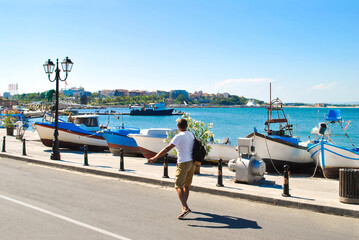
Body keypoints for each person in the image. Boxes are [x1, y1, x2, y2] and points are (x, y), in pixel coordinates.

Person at [149, 118, 197, 219]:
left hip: (183, 163)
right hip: (192, 163)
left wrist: (155, 157)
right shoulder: (191, 134)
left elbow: (167, 149)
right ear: (186, 126)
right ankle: (184, 206)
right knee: (186, 186)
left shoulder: (178, 136)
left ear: (178, 127)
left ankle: (185, 207)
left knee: (178, 185)